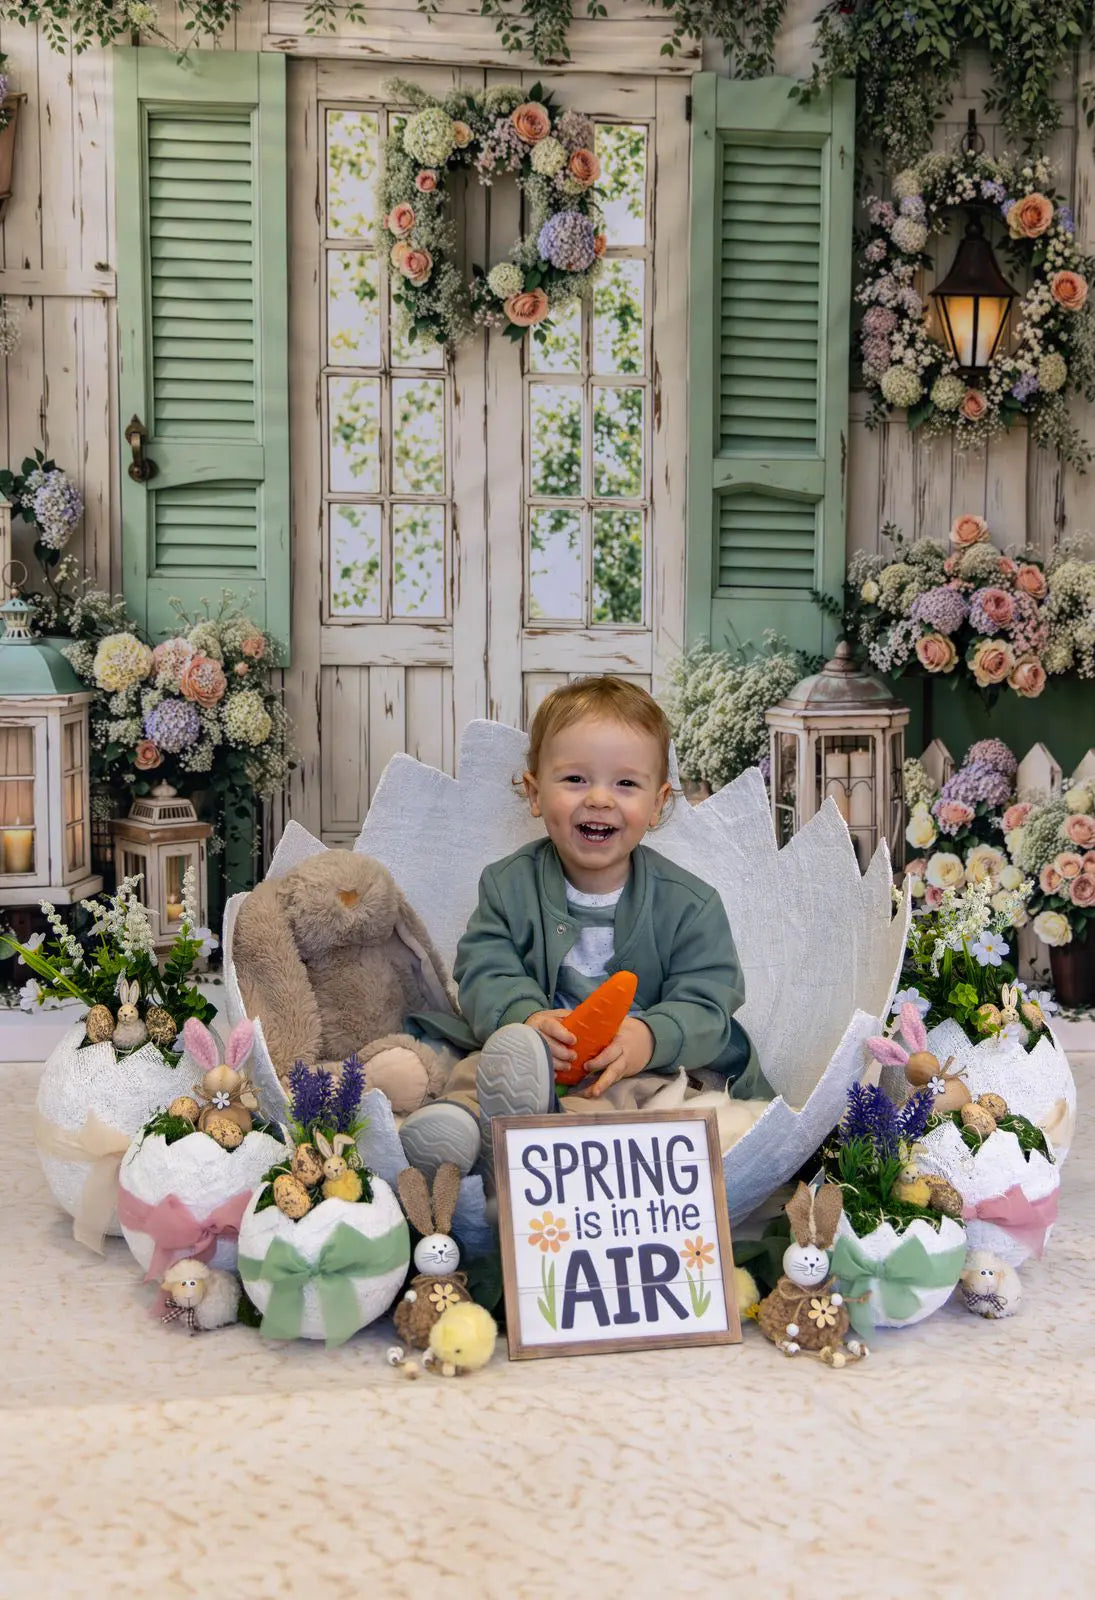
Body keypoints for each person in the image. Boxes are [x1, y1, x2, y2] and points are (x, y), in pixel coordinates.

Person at [398, 675, 769, 1182]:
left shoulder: (689, 904)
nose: (598, 799)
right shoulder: (508, 886)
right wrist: (527, 1022)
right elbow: (485, 969)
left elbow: (708, 1003)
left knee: (645, 1101)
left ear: (658, 804)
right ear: (534, 792)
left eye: (625, 783)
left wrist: (649, 1037)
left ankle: (552, 1145)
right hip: (534, 1057)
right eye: (574, 780)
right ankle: (460, 1129)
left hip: (629, 1065)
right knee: (477, 1068)